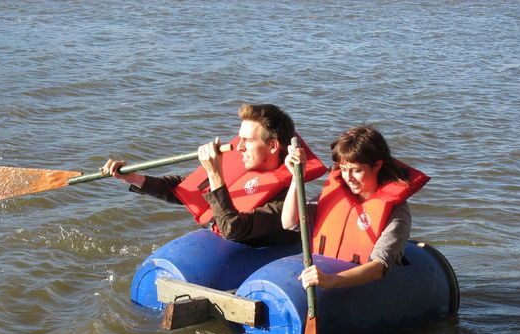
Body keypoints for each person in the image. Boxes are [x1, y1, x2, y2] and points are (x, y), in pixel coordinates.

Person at [101, 104, 326, 247]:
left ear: (273, 145)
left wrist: (215, 173)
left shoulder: (286, 198)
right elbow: (186, 189)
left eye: (247, 141)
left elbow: (232, 229)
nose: (239, 147)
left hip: (258, 249)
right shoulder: (242, 163)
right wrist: (132, 177)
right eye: (239, 139)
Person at [281, 124, 430, 289]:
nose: (348, 177)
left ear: (377, 166)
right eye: (344, 169)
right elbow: (290, 222)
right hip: (325, 274)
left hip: (360, 286)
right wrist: (296, 178)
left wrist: (331, 280)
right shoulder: (337, 194)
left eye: (356, 170)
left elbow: (379, 267)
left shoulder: (397, 212)